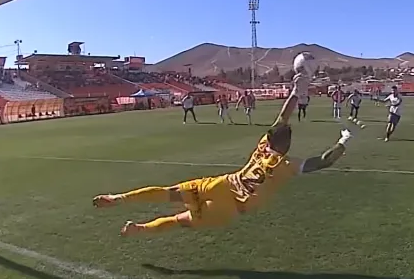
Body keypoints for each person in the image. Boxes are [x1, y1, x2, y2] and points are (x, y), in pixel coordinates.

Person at [93, 87, 352, 236]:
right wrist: (344, 141)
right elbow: (323, 161)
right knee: (178, 220)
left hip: (220, 185)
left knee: (168, 194)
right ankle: (141, 229)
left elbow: (281, 118)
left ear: (269, 139)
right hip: (230, 208)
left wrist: (295, 93)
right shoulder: (286, 166)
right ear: (287, 146)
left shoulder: (263, 145)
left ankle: (119, 199)